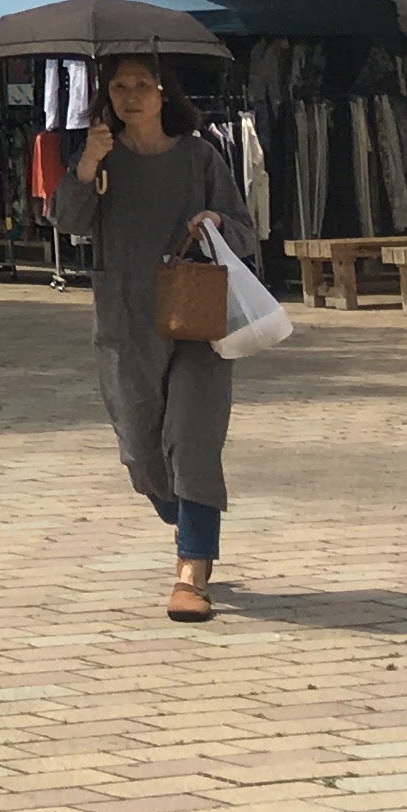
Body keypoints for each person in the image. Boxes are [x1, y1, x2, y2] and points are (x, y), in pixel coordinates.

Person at [42, 51, 256, 623]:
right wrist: (86, 164)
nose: (130, 96)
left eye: (142, 85)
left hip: (198, 320)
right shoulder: (102, 160)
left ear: (165, 94)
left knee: (193, 441)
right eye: (119, 86)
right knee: (143, 454)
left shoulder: (200, 157)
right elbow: (65, 221)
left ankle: (192, 573)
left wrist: (215, 224)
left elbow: (246, 231)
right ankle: (183, 511)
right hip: (126, 322)